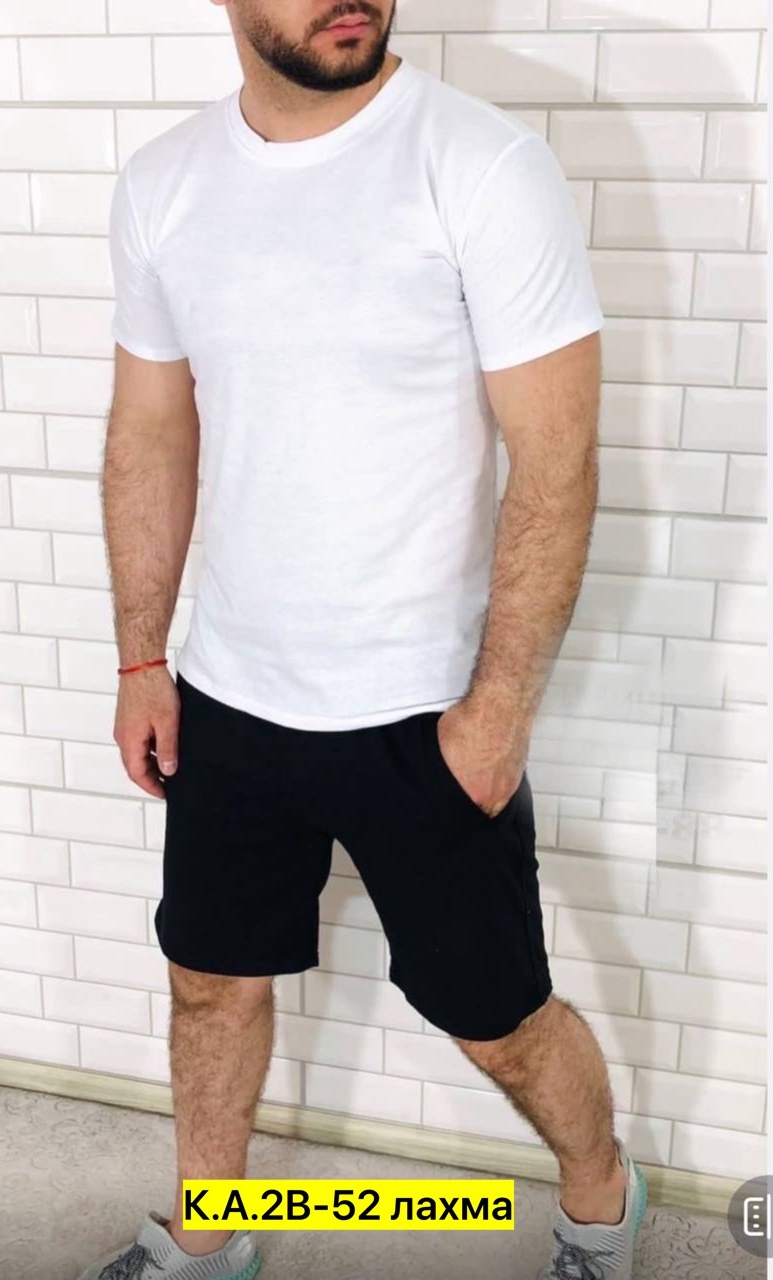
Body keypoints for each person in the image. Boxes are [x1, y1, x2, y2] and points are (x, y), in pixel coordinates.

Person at [84, 2, 648, 1278]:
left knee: (498, 1022)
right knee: (209, 984)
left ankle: (601, 1202)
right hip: (229, 696)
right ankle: (208, 1238)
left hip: (424, 712)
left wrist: (497, 715)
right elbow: (152, 431)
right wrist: (142, 657)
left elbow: (557, 459)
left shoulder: (481, 165)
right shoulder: (166, 185)